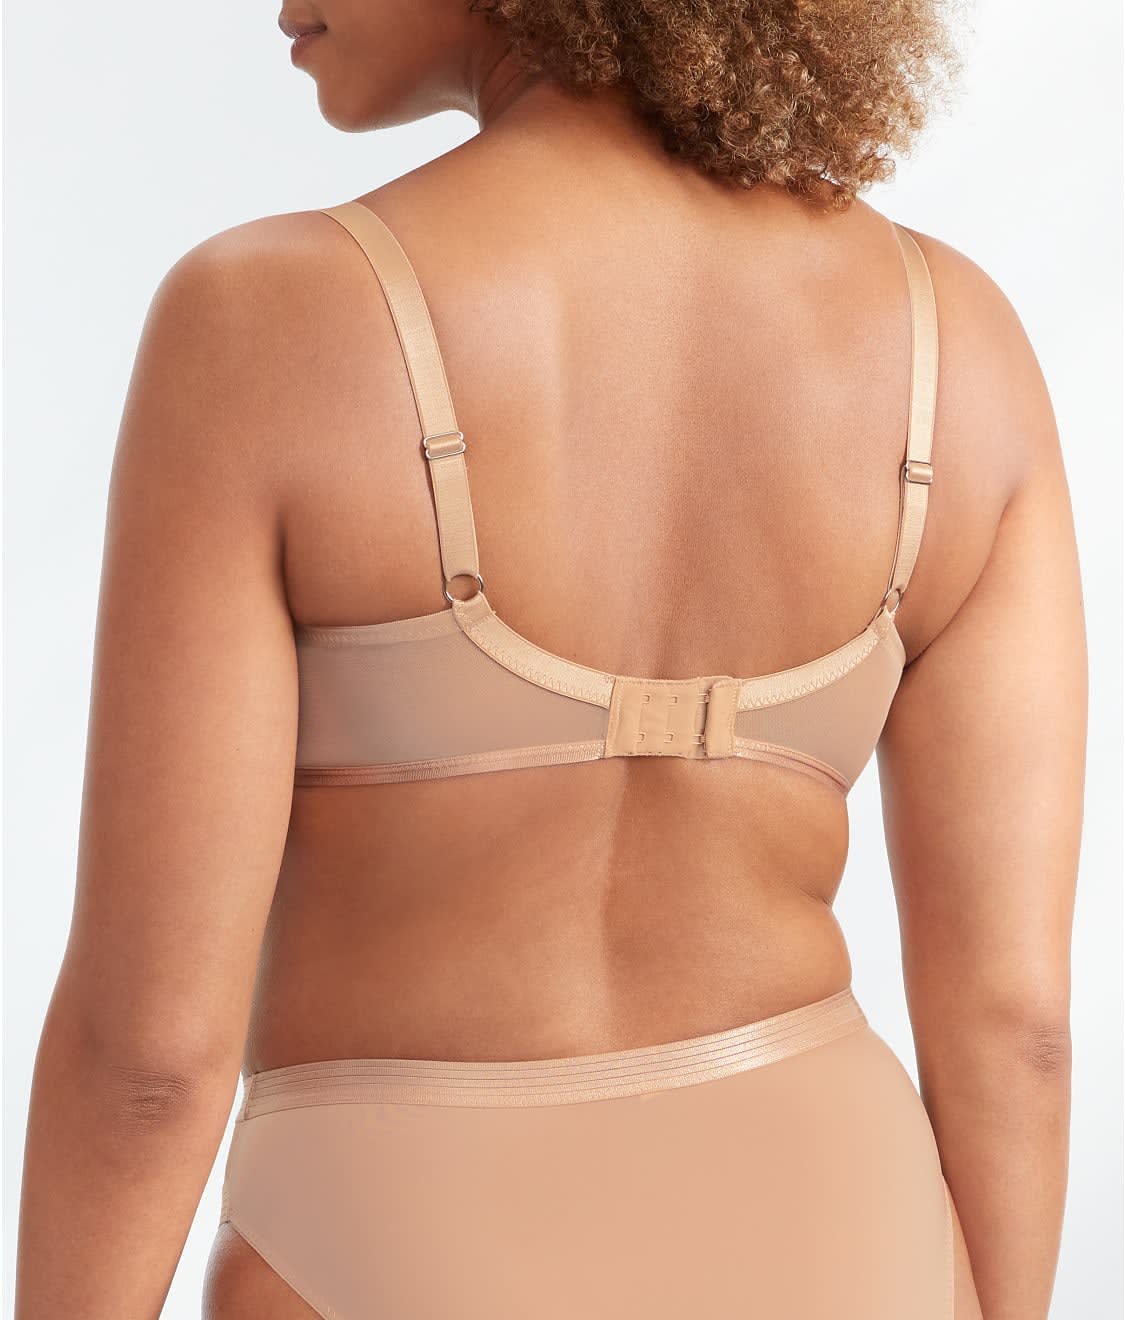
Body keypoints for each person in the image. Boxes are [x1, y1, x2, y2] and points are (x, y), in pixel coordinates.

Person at [14, 0, 1086, 1316]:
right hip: (846, 1228)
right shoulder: (959, 347)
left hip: (387, 1229)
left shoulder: (267, 318)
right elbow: (1016, 1030)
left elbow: (148, 1059)